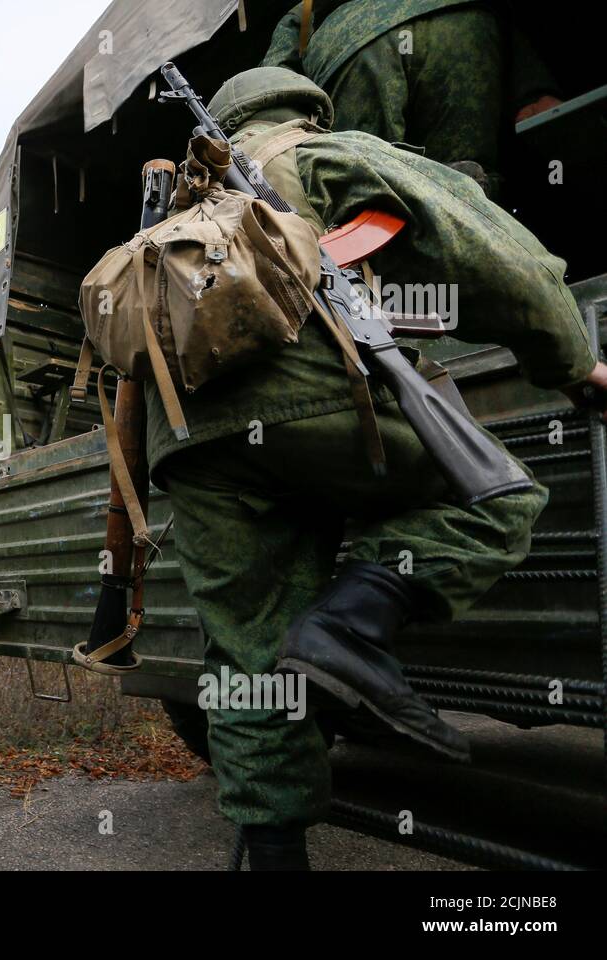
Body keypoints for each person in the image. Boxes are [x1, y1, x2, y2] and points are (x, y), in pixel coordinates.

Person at [143, 67, 602, 870]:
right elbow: (486, 247)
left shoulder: (172, 211)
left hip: (193, 448)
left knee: (249, 661)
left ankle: (274, 850)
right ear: (305, 111)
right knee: (499, 498)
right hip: (309, 404)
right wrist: (572, 363)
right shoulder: (322, 153)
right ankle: (349, 624)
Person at [260, 1, 561, 195]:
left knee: (368, 194)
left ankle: (412, 287)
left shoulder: (304, 12)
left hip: (358, 43)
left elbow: (269, 88)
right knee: (467, 185)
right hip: (463, 20)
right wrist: (531, 90)